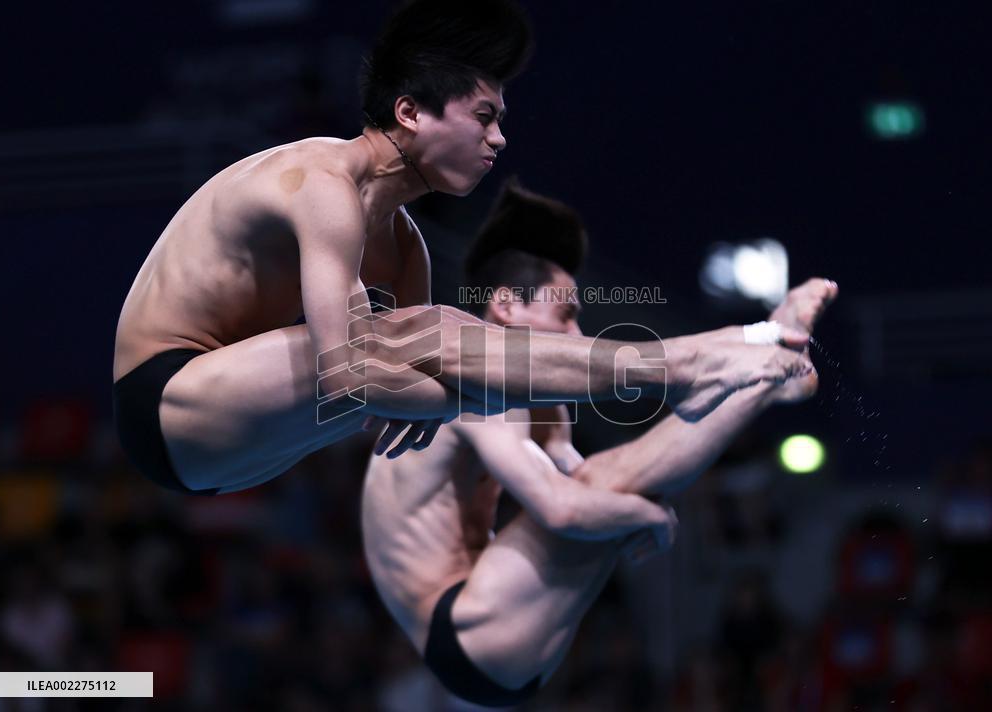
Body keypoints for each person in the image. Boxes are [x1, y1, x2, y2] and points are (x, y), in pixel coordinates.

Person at [113, 0, 811, 496]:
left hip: (234, 457)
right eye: (483, 117)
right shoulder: (321, 183)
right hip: (166, 401)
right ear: (410, 113)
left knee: (464, 359)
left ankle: (726, 376)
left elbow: (411, 395)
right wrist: (468, 395)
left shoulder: (405, 248)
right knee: (449, 343)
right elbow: (348, 378)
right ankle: (698, 359)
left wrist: (475, 397)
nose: (499, 140)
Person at [361, 181, 838, 706]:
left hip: (495, 622)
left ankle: (765, 365)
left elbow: (589, 483)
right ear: (505, 307)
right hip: (464, 629)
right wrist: (648, 519)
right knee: (612, 495)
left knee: (616, 487)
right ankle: (766, 354)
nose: (575, 333)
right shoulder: (479, 382)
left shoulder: (537, 396)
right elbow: (562, 510)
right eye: (565, 314)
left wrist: (641, 514)